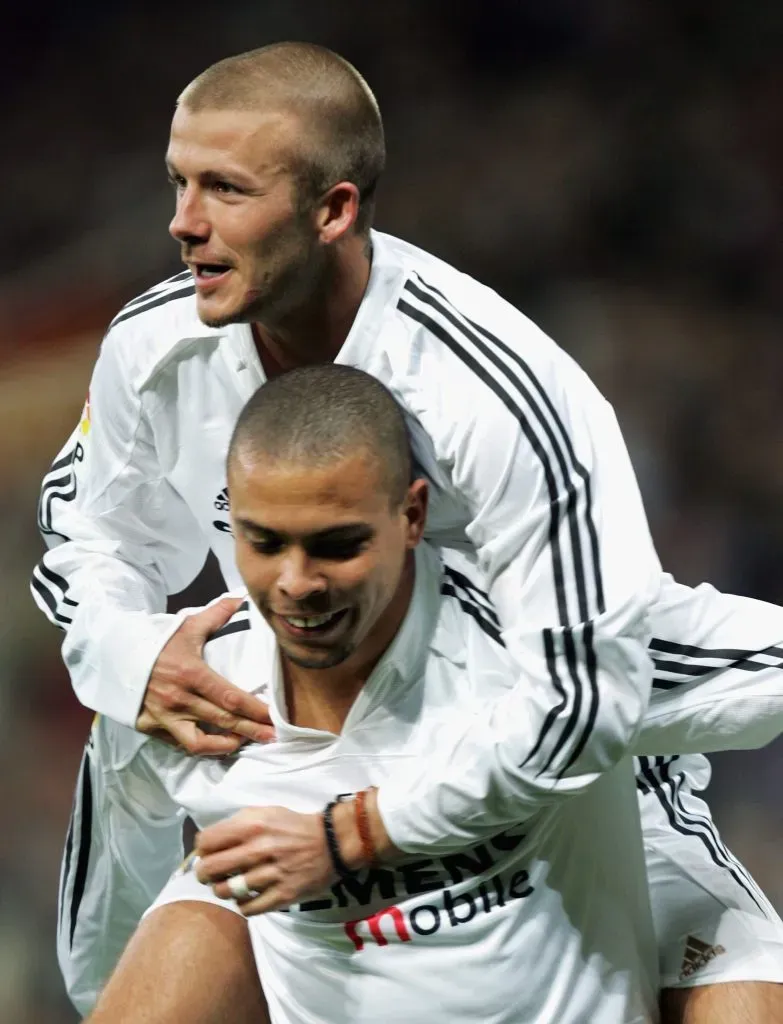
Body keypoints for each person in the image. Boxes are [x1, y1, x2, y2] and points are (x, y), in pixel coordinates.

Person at [35, 42, 783, 1021]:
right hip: (307, 756)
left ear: (334, 209)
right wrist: (131, 653)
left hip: (552, 796)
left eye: (225, 189)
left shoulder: (504, 397)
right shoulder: (154, 348)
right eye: (179, 183)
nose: (182, 224)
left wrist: (357, 833)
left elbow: (591, 694)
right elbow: (83, 544)